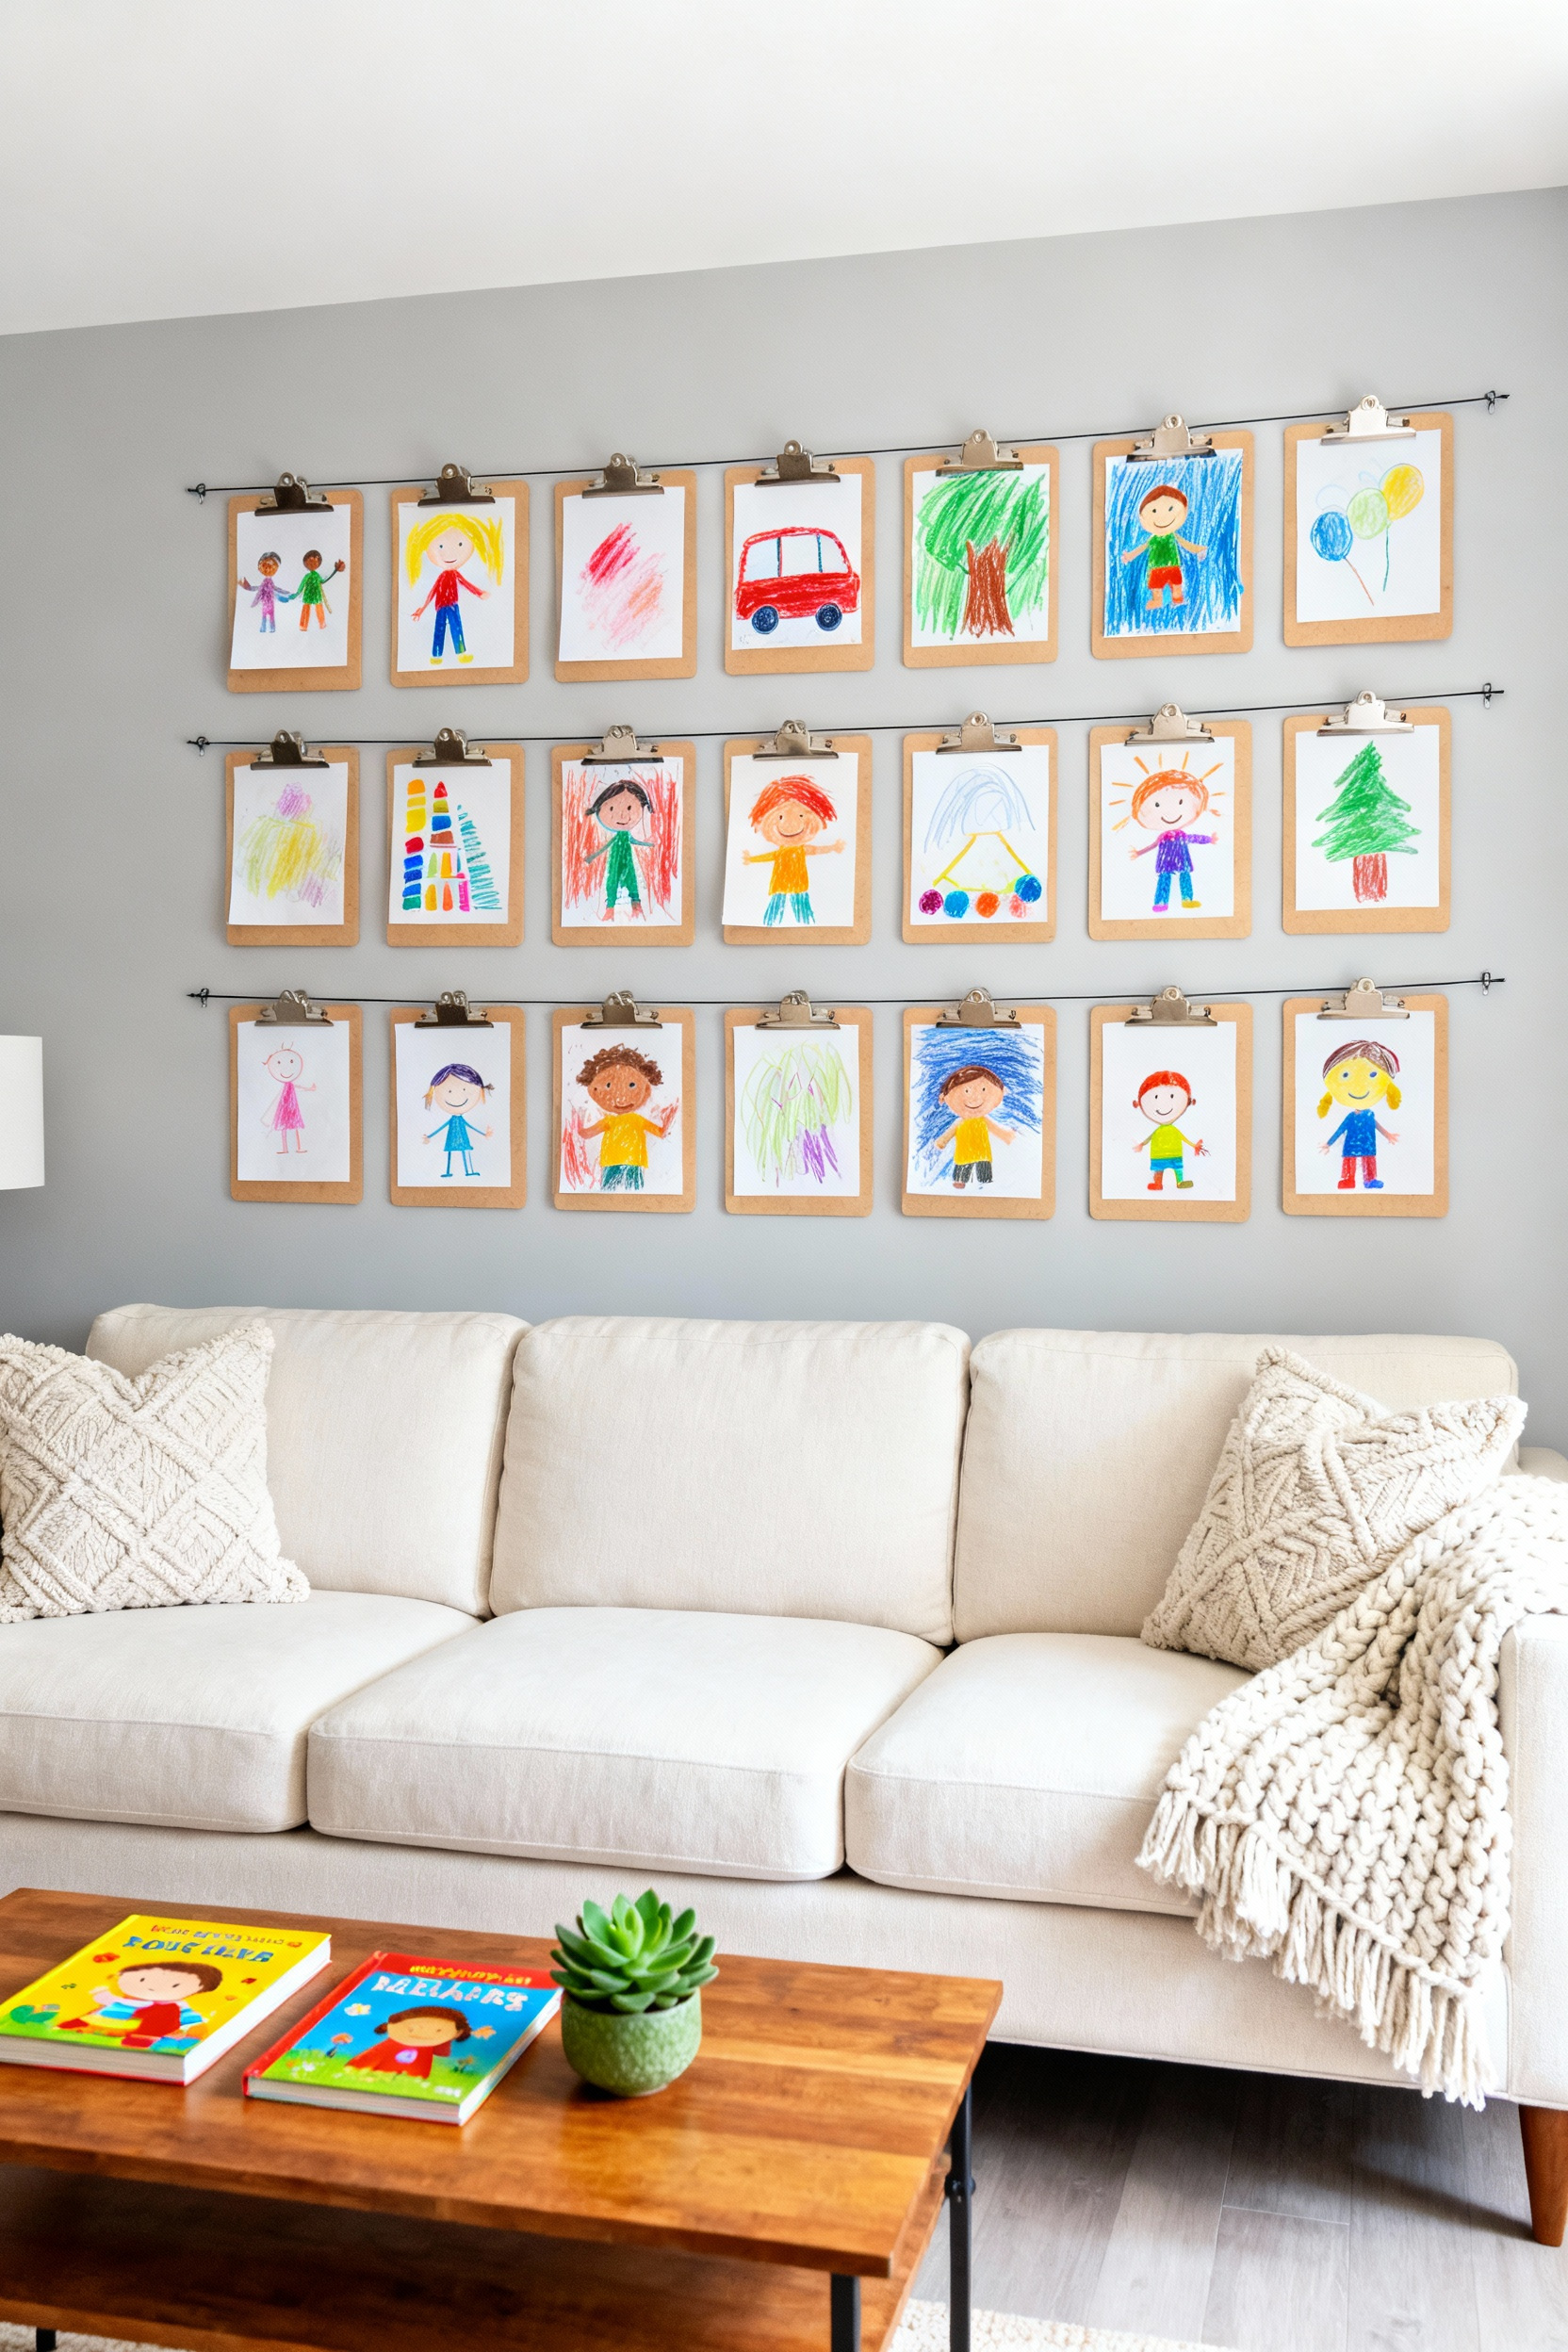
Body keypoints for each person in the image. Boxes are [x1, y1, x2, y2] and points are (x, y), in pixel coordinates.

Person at [405, 511, 504, 665]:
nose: (449, 553)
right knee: (439, 630)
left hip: (452, 605)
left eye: (459, 544)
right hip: (441, 607)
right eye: (441, 546)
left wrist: (480, 593)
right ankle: (436, 655)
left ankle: (461, 653)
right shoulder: (442, 577)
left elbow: (466, 584)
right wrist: (422, 609)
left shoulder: (455, 575)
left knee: (456, 628)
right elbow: (432, 593)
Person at [742, 775, 843, 925]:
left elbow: (816, 850)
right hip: (780, 885)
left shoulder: (801, 849)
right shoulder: (782, 852)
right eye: (781, 817)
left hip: (798, 885)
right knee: (775, 909)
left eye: (801, 815)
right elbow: (768, 856)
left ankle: (803, 923)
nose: (790, 825)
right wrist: (751, 859)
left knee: (802, 909)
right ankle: (771, 924)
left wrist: (833, 848)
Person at [575, 1045, 678, 1191]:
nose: (621, 1098)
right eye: (608, 1085)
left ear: (646, 1088)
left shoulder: (637, 1120)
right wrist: (575, 1118)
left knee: (635, 1191)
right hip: (613, 1162)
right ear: (594, 1090)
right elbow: (587, 1133)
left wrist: (669, 1118)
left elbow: (660, 1133)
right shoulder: (609, 1121)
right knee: (608, 1191)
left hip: (633, 1163)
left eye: (631, 1085)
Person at [59, 1959, 224, 2049]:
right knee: (90, 2018)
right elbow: (100, 2009)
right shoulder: (121, 2001)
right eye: (142, 1979)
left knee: (167, 2011)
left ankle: (143, 2038)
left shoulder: (172, 2006)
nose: (153, 1987)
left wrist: (194, 2027)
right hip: (105, 2025)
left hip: (146, 2030)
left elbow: (190, 2019)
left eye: (175, 1986)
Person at [1127, 767, 1220, 911]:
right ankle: (1161, 903)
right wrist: (1139, 852)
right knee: (1164, 879)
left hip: (1182, 860)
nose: (1170, 812)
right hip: (1166, 862)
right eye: (1157, 805)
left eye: (1180, 802)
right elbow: (1153, 845)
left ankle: (1187, 900)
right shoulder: (1163, 837)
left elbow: (1194, 838)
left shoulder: (1181, 836)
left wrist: (1209, 839)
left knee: (1185, 877)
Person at [1318, 1038, 1401, 1191]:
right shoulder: (1351, 1117)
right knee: (1349, 1162)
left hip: (1368, 1144)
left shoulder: (1369, 1114)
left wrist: (1388, 1135)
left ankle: (1370, 1180)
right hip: (1351, 1145)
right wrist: (1329, 1143)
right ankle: (1347, 1179)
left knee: (1369, 1161)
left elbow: (1378, 1126)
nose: (1359, 1088)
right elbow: (1340, 1130)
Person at [1120, 482, 1206, 611]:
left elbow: (1185, 544)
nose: (1162, 517)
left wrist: (1199, 549)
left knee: (1177, 587)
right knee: (1156, 589)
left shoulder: (1173, 536)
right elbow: (1143, 547)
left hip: (1173, 566)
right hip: (1156, 568)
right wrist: (1130, 556)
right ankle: (1157, 601)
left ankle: (1177, 601)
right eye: (1154, 511)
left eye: (1171, 509)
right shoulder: (1153, 539)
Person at [932, 1065, 1015, 1188]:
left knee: (984, 1171)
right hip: (964, 1153)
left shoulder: (984, 1120)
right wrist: (942, 1141)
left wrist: (1007, 1135)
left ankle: (985, 1181)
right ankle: (960, 1181)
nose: (975, 1099)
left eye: (983, 1090)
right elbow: (948, 1134)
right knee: (962, 1168)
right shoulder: (960, 1122)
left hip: (982, 1152)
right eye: (967, 1091)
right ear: (945, 1097)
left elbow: (996, 1129)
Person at [344, 2003, 471, 2081]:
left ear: (458, 2033)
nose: (423, 2034)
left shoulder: (430, 2048)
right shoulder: (392, 2043)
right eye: (412, 2028)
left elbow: (419, 2074)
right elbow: (360, 2064)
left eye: (438, 2030)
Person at [582, 780, 652, 917]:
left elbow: (635, 841)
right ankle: (610, 908)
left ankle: (636, 906)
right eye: (611, 809)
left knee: (632, 879)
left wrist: (649, 845)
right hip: (614, 861)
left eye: (629, 808)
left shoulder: (626, 835)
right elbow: (606, 846)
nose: (622, 816)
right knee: (612, 880)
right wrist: (592, 856)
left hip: (628, 862)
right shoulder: (616, 837)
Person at [1133, 1070, 1207, 1191]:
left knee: (1175, 1168)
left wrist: (1194, 1145)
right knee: (1160, 1169)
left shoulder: (1171, 1131)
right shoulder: (1159, 1131)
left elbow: (1183, 1138)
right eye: (1155, 1097)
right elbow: (1150, 1138)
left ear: (1188, 1102)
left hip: (1172, 1153)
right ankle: (1158, 1183)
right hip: (1159, 1154)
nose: (1163, 1105)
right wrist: (1142, 1144)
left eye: (1172, 1096)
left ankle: (1179, 1182)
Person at [422, 1064, 493, 1179]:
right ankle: (448, 1171)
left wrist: (484, 1134)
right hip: (452, 1138)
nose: (456, 1096)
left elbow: (469, 1126)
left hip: (462, 1138)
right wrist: (430, 1136)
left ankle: (469, 1171)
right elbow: (442, 1127)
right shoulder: (454, 1120)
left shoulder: (460, 1120)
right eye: (449, 1091)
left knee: (465, 1151)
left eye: (464, 1089)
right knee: (452, 1153)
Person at [238, 551, 295, 633]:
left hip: (269, 603)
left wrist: (286, 594)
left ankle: (269, 629)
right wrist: (254, 601)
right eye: (266, 566)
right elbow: (261, 591)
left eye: (274, 567)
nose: (270, 569)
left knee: (269, 616)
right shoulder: (266, 582)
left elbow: (274, 589)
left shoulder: (268, 582)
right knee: (266, 616)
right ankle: (265, 629)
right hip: (266, 603)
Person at [294, 548, 346, 631]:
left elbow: (324, 580)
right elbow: (301, 585)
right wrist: (297, 593)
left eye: (314, 561)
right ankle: (304, 625)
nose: (312, 564)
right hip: (308, 594)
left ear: (318, 563)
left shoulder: (317, 576)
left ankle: (322, 624)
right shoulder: (308, 576)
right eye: (309, 562)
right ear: (305, 563)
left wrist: (335, 571)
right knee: (307, 608)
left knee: (318, 608)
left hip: (316, 594)